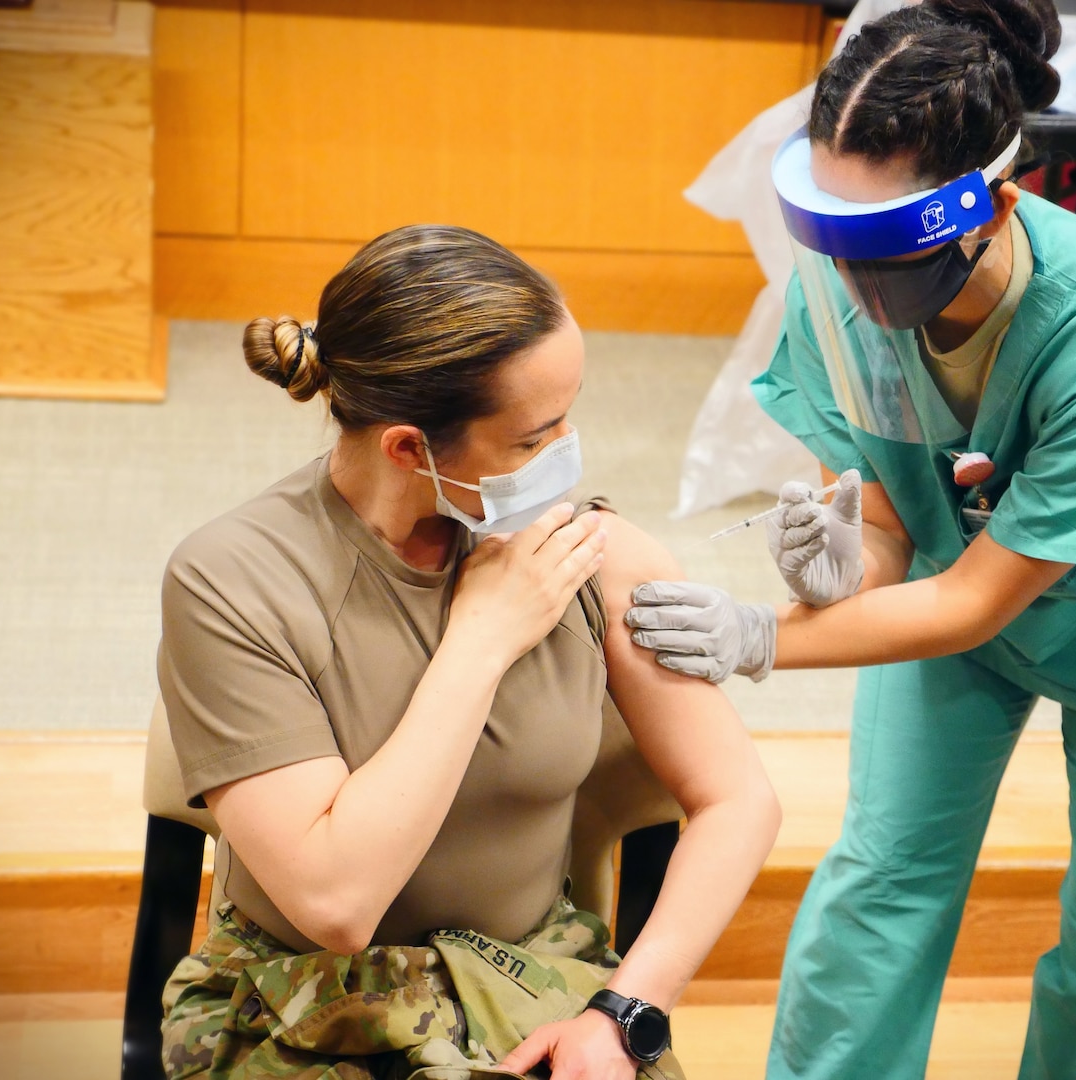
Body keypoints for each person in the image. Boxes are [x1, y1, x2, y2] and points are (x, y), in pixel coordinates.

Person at [624, 3, 1076, 1078]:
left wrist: (761, 635)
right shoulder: (837, 297)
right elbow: (898, 515)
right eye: (829, 238)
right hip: (948, 601)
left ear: (996, 204)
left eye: (883, 249)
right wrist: (854, 561)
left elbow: (979, 599)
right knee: (881, 884)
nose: (852, 287)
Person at [156, 224, 781, 1080]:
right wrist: (481, 640)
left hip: (537, 979)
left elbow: (738, 799)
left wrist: (625, 1013)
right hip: (300, 1002)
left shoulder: (596, 558)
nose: (565, 455)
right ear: (410, 447)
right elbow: (336, 902)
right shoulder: (232, 580)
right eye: (533, 439)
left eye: (569, 421)